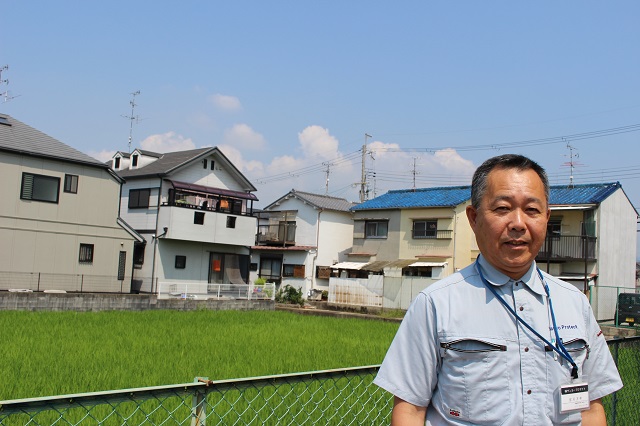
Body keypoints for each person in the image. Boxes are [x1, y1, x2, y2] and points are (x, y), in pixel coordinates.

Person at [374, 154, 622, 425]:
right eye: (503, 208)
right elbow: (410, 409)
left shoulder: (575, 303)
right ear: (474, 218)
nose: (518, 223)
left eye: (531, 210)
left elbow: (591, 408)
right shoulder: (436, 304)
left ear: (546, 218)